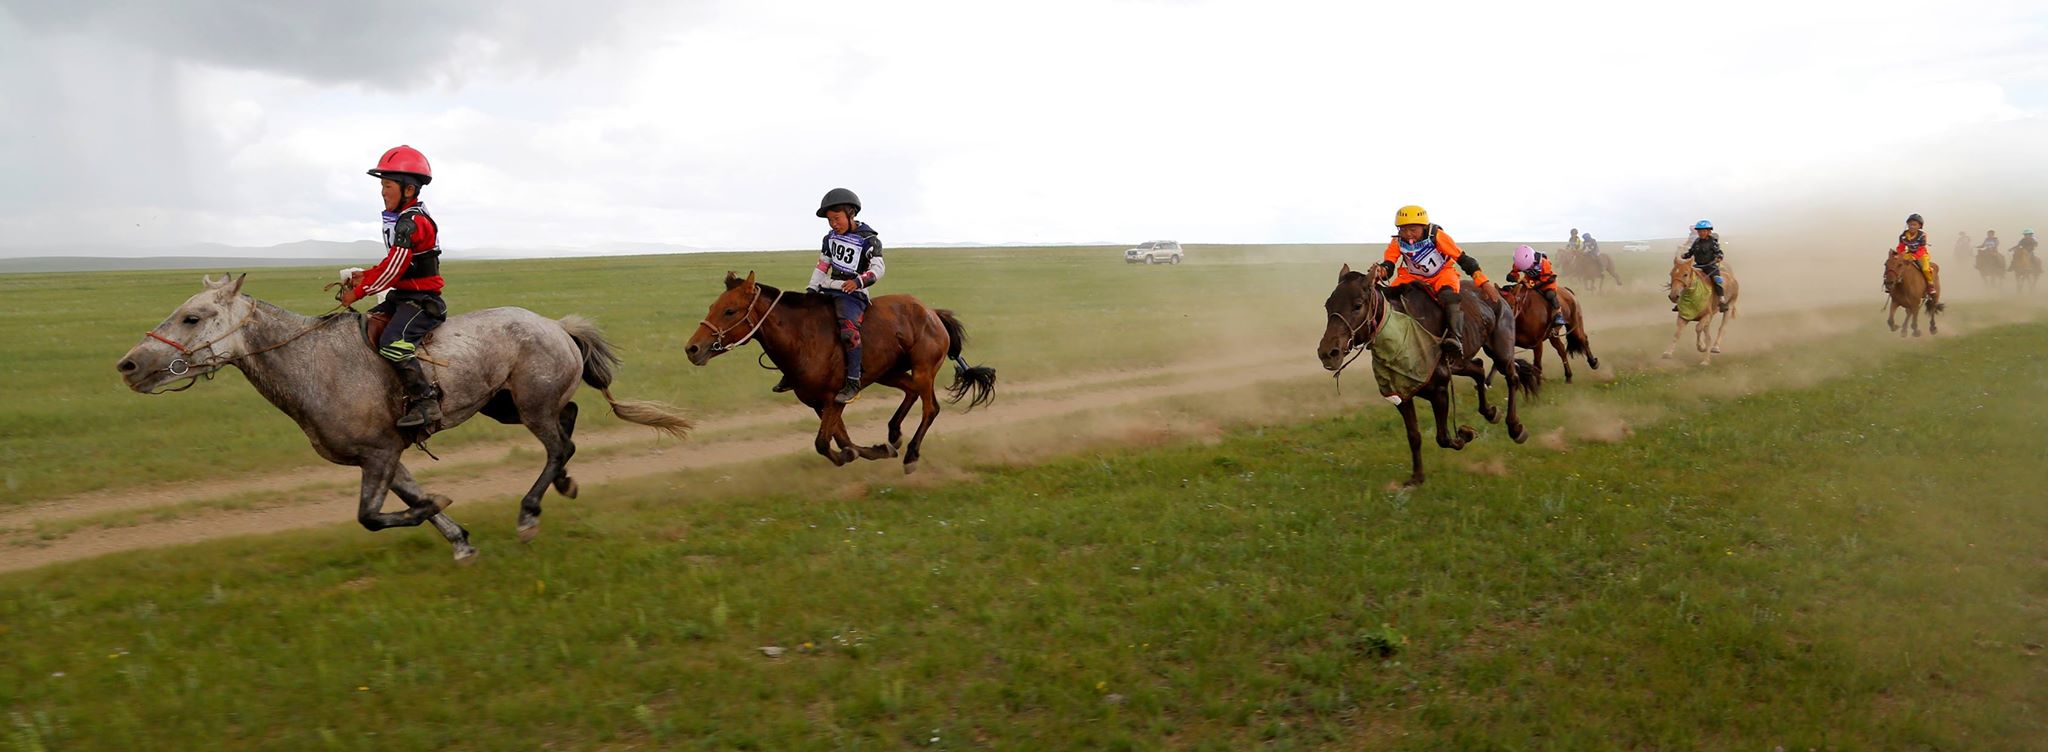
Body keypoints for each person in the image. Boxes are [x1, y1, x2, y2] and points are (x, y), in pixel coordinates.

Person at [342, 145, 446, 431]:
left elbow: (394, 270)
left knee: (393, 344)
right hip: (403, 296)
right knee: (362, 330)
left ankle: (427, 402)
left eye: (387, 185)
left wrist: (359, 292)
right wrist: (363, 276)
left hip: (422, 301)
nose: (382, 191)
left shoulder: (412, 223)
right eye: (382, 185)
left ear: (409, 190)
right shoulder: (405, 219)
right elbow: (391, 263)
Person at [789, 187, 885, 404]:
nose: (833, 224)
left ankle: (853, 380)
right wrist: (812, 289)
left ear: (851, 214)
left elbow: (878, 269)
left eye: (837, 218)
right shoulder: (829, 238)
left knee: (848, 330)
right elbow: (823, 265)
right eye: (830, 220)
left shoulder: (869, 239)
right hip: (829, 288)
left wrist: (858, 282)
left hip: (853, 294)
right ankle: (794, 373)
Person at [1373, 205, 1491, 355]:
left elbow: (1463, 259)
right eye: (1403, 229)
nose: (1408, 234)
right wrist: (1381, 271)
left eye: (1413, 229)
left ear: (1424, 227)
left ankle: (1455, 338)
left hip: (1442, 274)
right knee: (1387, 297)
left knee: (1448, 297)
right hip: (1412, 277)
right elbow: (1389, 264)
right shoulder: (1397, 242)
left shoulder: (1437, 236)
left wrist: (1483, 282)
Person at [1506, 244, 1568, 335]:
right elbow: (1512, 275)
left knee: (1550, 295)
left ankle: (1558, 314)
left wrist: (1531, 286)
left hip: (1546, 282)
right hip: (1530, 280)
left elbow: (1545, 279)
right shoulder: (1519, 263)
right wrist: (1517, 279)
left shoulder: (1544, 263)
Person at [1679, 219, 1728, 310]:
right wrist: (1684, 256)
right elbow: (1691, 252)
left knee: (1717, 279)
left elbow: (1719, 252)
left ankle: (1721, 299)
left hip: (1710, 266)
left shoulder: (1712, 242)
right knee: (1684, 278)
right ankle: (1682, 301)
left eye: (1704, 231)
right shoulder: (1697, 241)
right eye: (1699, 231)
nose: (1701, 233)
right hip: (1697, 266)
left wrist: (1719, 257)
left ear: (1709, 231)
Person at [1891, 213, 1937, 296]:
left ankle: (1930, 285)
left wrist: (1914, 257)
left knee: (1926, 269)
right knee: (1897, 264)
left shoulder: (1922, 235)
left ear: (1919, 226)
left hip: (1922, 254)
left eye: (1914, 225)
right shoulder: (1903, 236)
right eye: (1910, 224)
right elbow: (1901, 247)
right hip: (1909, 253)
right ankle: (1894, 282)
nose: (1912, 226)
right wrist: (1899, 255)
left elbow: (1921, 249)